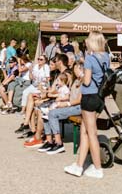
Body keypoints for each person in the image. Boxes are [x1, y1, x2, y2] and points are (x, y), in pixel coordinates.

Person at [64, 32, 109, 179]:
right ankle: (79, 165)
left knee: (91, 134)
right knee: (85, 132)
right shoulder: (106, 57)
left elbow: (87, 81)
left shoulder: (90, 58)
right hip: (100, 97)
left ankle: (97, 168)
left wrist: (80, 75)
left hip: (89, 97)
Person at [38, 62, 83, 154]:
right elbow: (69, 94)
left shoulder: (84, 82)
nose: (74, 71)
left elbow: (79, 100)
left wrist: (66, 103)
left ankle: (59, 143)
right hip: (71, 104)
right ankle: (49, 140)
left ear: (80, 69)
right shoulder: (76, 80)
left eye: (75, 69)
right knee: (45, 112)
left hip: (77, 107)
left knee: (52, 113)